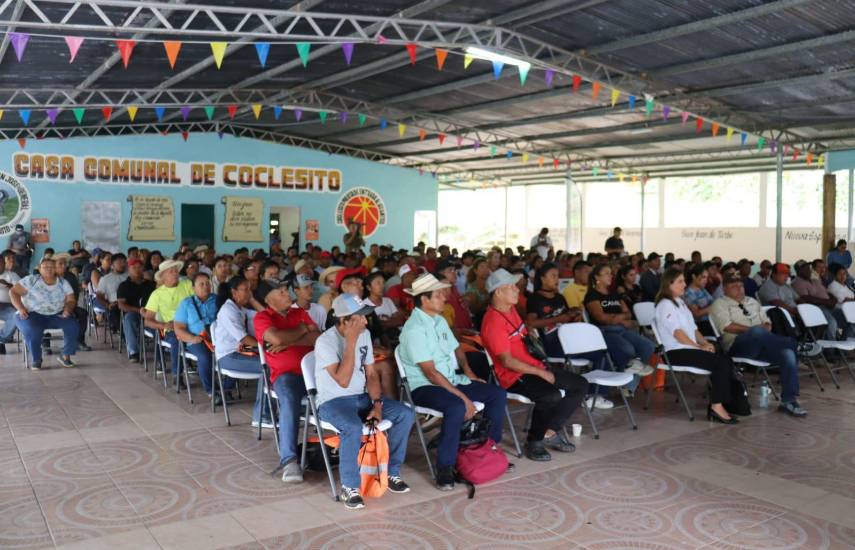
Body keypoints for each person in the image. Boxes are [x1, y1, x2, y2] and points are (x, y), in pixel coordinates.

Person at [399, 273, 508, 490]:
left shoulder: (438, 321)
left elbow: (456, 346)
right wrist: (463, 397)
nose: (444, 298)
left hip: (450, 379)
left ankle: (489, 450)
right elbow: (431, 374)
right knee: (457, 406)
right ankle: (445, 468)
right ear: (424, 300)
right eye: (438, 295)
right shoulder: (414, 330)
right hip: (425, 387)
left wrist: (468, 373)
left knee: (496, 394)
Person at [314, 293, 415, 509]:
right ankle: (350, 487)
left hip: (362, 397)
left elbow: (371, 375)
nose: (366, 321)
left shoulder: (365, 335)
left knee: (404, 414)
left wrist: (377, 405)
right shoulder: (325, 342)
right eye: (360, 318)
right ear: (344, 321)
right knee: (352, 427)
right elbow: (342, 380)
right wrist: (350, 342)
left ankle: (391, 473)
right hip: (333, 402)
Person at [481, 269, 587, 461]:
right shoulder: (493, 321)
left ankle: (549, 432)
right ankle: (534, 441)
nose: (517, 290)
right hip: (513, 376)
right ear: (498, 292)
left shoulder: (510, 309)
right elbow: (507, 361)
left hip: (533, 366)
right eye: (511, 287)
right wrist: (540, 372)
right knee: (550, 395)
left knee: (579, 384)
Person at [710, 275, 806, 417]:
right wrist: (754, 330)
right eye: (734, 287)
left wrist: (760, 330)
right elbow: (727, 327)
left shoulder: (753, 302)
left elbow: (767, 324)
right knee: (758, 332)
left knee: (788, 354)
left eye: (741, 286)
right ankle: (796, 345)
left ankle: (789, 401)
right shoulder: (719, 303)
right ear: (725, 289)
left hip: (763, 345)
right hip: (738, 346)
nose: (739, 289)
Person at [254, 281, 320, 483]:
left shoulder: (298, 312)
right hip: (287, 375)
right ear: (268, 300)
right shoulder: (262, 317)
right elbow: (275, 338)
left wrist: (290, 340)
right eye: (281, 292)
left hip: (316, 371)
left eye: (285, 290)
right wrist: (302, 330)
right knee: (289, 399)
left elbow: (318, 338)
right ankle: (290, 460)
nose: (287, 294)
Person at [654, 268, 737, 424]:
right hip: (675, 352)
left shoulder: (679, 302)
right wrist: (698, 347)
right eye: (680, 281)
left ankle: (726, 403)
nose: (684, 284)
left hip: (688, 348)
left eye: (684, 281)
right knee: (721, 363)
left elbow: (693, 329)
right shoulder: (665, 305)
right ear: (668, 284)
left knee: (725, 359)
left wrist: (705, 342)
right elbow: (677, 333)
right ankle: (716, 407)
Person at [584, 264, 656, 390]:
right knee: (627, 349)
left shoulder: (614, 294)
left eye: (611, 273)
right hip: (603, 332)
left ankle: (628, 385)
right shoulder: (592, 295)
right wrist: (619, 318)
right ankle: (631, 366)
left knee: (648, 346)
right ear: (597, 277)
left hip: (621, 329)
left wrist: (614, 318)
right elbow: (601, 318)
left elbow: (628, 313)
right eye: (606, 273)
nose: (610, 276)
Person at [215, 277, 269, 428]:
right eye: (245, 290)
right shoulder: (228, 310)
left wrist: (251, 299)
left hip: (241, 351)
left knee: (276, 360)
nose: (249, 293)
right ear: (234, 292)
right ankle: (261, 416)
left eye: (250, 289)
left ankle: (271, 409)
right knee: (268, 367)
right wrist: (265, 345)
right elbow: (244, 338)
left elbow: (264, 314)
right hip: (228, 356)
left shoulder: (240, 309)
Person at [10, 257, 79, 369]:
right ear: (39, 268)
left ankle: (65, 356)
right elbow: (13, 292)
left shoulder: (63, 282)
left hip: (56, 314)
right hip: (32, 314)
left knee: (73, 326)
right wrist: (21, 308)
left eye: (52, 267)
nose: (49, 269)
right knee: (33, 330)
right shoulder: (31, 280)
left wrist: (67, 310)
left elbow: (71, 300)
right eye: (45, 267)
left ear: (56, 269)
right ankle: (37, 359)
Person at [142, 260, 194, 378]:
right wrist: (164, 325)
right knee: (177, 339)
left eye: (176, 271)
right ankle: (177, 375)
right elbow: (147, 320)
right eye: (171, 272)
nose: (175, 274)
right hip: (171, 328)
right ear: (163, 276)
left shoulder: (187, 285)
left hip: (191, 324)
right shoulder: (157, 294)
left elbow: (197, 303)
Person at [173, 272, 219, 397]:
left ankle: (227, 387)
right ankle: (211, 391)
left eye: (208, 283)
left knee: (233, 352)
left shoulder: (217, 300)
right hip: (197, 339)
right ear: (193, 288)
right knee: (205, 356)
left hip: (218, 338)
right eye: (201, 284)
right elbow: (178, 328)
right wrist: (192, 338)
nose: (206, 286)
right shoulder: (186, 303)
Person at [526, 262, 581, 358]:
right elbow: (531, 323)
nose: (557, 279)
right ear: (543, 279)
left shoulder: (560, 297)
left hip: (566, 335)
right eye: (553, 276)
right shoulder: (534, 298)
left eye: (557, 276)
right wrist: (558, 319)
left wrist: (574, 316)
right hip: (550, 341)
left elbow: (565, 316)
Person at [117, 258, 156, 363]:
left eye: (139, 267)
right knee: (129, 319)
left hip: (152, 313)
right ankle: (134, 352)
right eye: (134, 267)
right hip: (135, 312)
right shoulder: (124, 286)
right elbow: (121, 305)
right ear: (129, 269)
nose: (137, 269)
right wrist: (139, 310)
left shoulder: (151, 284)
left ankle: (164, 347)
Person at [96, 253, 129, 332]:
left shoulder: (130, 275)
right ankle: (123, 334)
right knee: (115, 311)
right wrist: (108, 305)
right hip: (116, 305)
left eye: (124, 262)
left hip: (131, 302)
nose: (122, 264)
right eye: (119, 262)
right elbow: (99, 296)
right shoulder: (105, 279)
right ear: (112, 264)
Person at [683, 264, 716, 337]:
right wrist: (713, 307)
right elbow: (696, 314)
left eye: (707, 278)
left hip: (712, 322)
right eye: (703, 277)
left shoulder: (702, 289)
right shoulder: (688, 294)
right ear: (694, 276)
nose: (706, 280)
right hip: (701, 325)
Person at [0, 250, 21, 352]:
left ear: (4, 264)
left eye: (1, 264)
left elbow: (22, 290)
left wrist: (8, 285)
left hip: (7, 307)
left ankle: (2, 339)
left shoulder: (12, 275)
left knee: (15, 315)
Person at [464, 258, 491, 326]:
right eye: (482, 267)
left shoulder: (491, 284)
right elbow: (473, 310)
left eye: (487, 267)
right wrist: (488, 299)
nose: (485, 270)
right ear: (475, 271)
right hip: (480, 322)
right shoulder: (471, 289)